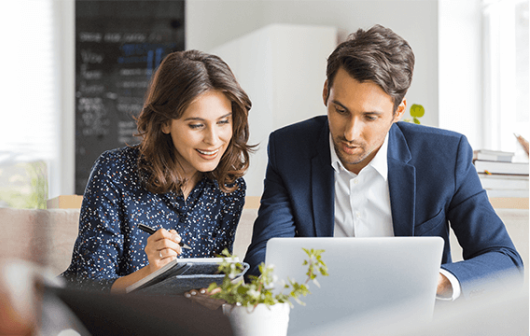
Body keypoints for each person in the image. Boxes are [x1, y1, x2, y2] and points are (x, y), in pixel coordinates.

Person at [243, 25, 523, 300]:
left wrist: (434, 280)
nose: (350, 133)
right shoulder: (290, 148)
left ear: (398, 111)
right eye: (340, 110)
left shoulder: (445, 156)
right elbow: (263, 258)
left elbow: (504, 260)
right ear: (326, 91)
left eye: (370, 117)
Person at [62, 50, 253, 292]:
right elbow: (87, 286)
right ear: (164, 123)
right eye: (196, 125)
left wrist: (213, 297)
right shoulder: (114, 172)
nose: (213, 140)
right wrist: (152, 272)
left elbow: (213, 280)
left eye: (223, 121)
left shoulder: (229, 188)